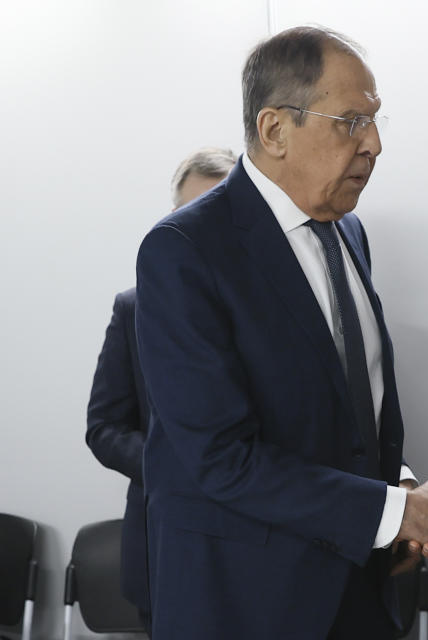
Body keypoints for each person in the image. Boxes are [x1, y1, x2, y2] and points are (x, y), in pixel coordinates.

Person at [134, 26, 428, 640]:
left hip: (359, 583)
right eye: (351, 121)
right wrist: (399, 512)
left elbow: (349, 409)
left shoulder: (347, 234)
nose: (375, 143)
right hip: (246, 603)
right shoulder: (184, 251)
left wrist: (401, 491)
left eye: (376, 120)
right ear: (276, 130)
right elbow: (222, 458)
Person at [86, 147, 235, 632]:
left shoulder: (274, 315)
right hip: (163, 545)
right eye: (196, 213)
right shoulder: (133, 308)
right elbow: (103, 427)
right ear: (173, 219)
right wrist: (176, 465)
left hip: (259, 549)